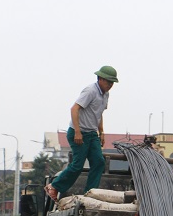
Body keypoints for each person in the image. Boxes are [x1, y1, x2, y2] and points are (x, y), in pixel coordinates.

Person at [44, 65, 118, 202]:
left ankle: (90, 193)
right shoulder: (90, 91)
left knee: (99, 161)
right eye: (108, 82)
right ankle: (54, 186)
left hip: (91, 133)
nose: (110, 85)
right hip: (79, 132)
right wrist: (78, 132)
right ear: (100, 79)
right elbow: (74, 109)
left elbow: (99, 113)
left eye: (112, 83)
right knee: (78, 165)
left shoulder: (105, 95)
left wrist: (101, 132)